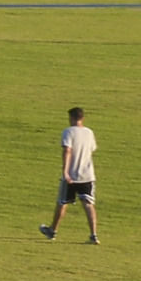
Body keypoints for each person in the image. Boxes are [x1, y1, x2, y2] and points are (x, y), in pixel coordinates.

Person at [42, 104, 100, 244]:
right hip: (87, 175)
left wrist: (65, 171)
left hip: (71, 175)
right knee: (88, 204)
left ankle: (52, 231)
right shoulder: (89, 132)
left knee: (62, 203)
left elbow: (67, 151)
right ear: (82, 118)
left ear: (71, 118)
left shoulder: (68, 132)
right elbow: (91, 149)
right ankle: (93, 235)